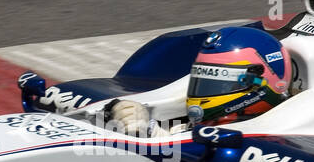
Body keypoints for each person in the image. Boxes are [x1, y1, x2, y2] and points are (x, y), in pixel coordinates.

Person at [108, 25, 293, 135]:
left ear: (256, 84)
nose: (204, 92)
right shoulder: (197, 127)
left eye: (220, 82)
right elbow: (182, 138)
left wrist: (150, 133)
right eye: (201, 79)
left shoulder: (276, 133)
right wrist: (146, 128)